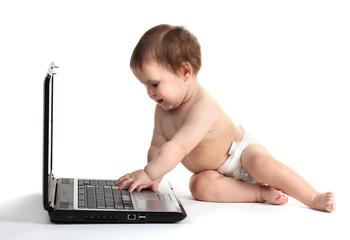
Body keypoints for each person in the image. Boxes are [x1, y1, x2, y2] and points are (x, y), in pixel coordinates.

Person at [115, 24, 335, 212]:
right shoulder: (162, 110)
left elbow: (179, 147)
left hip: (241, 153)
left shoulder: (202, 106)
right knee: (199, 187)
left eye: (154, 84)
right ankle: (258, 192)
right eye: (145, 86)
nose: (150, 93)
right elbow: (158, 145)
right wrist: (154, 177)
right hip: (214, 171)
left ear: (185, 72)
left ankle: (312, 196)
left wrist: (146, 173)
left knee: (263, 165)